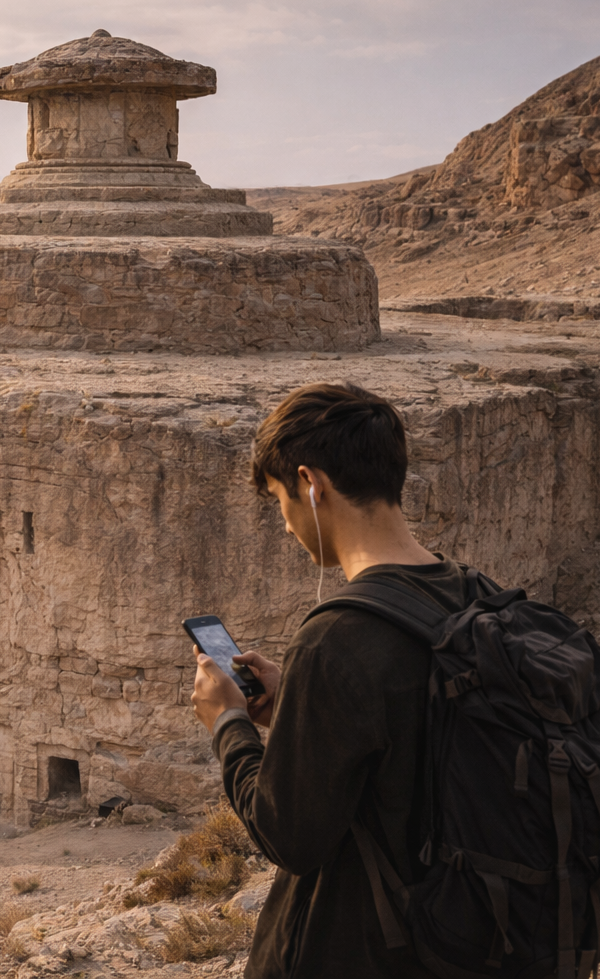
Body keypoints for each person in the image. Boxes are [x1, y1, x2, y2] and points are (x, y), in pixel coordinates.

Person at [189, 382, 476, 979]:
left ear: (311, 484)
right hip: (467, 928)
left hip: (373, 949)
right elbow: (416, 729)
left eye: (279, 500)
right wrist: (299, 699)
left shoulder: (337, 638)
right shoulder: (472, 594)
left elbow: (285, 833)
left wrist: (229, 723)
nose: (286, 524)